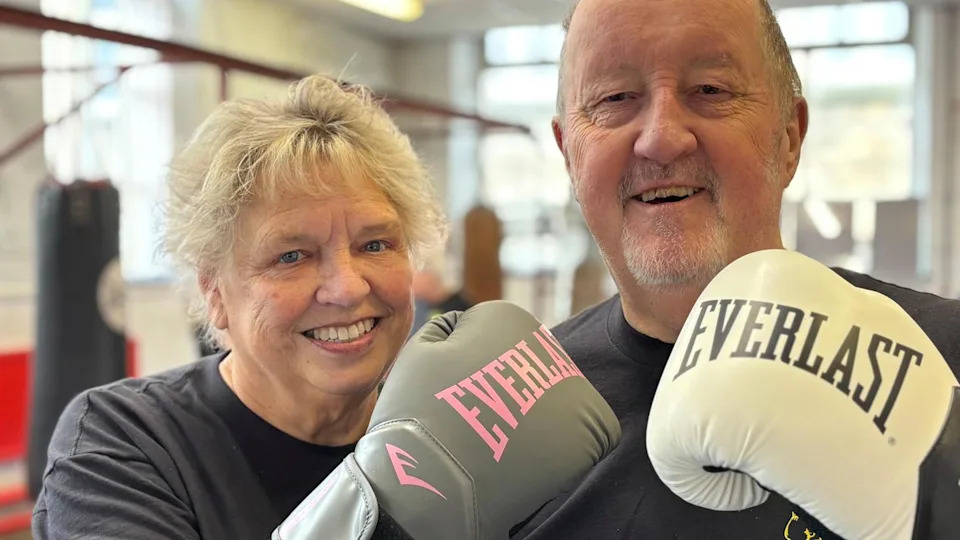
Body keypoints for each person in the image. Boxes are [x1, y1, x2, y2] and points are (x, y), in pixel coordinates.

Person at [510, 0, 960, 538]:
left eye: (711, 90)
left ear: (789, 138)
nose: (660, 137)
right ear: (568, 156)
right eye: (615, 99)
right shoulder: (515, 411)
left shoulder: (946, 353)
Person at [31, 74, 447, 539]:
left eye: (374, 244)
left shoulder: (444, 434)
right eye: (291, 256)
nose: (347, 289)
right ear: (214, 293)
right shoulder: (126, 444)